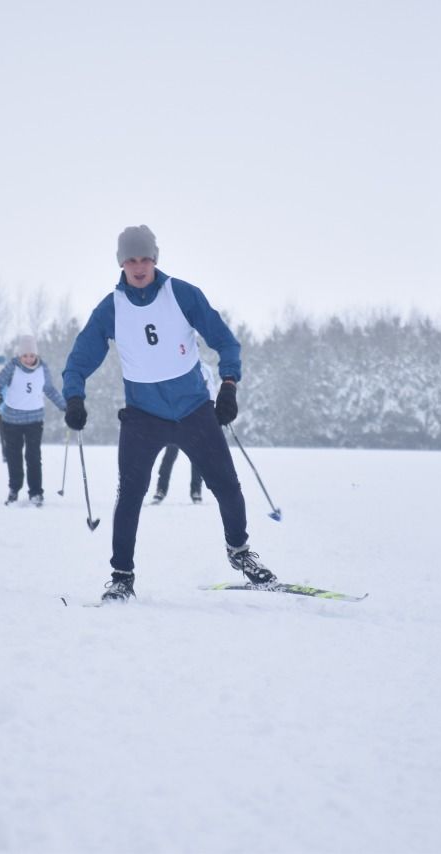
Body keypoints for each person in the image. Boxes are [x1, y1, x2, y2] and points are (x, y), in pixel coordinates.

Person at [61, 225, 277, 602]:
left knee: (227, 485)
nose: (139, 266)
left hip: (194, 410)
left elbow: (226, 341)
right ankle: (122, 577)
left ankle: (240, 552)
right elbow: (79, 360)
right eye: (131, 259)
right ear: (121, 262)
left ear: (155, 258)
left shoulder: (182, 294)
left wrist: (228, 384)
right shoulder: (111, 308)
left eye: (145, 258)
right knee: (129, 495)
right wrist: (74, 397)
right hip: (143, 417)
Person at [0, 334, 66, 506]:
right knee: (13, 456)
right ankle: (14, 489)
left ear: (36, 355)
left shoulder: (43, 369)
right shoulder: (12, 367)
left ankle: (36, 493)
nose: (28, 359)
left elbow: (50, 390)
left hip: (34, 420)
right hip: (11, 420)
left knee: (33, 457)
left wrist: (64, 406)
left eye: (31, 355)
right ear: (19, 355)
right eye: (25, 355)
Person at [151, 362, 217, 503]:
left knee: (197, 457)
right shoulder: (175, 365)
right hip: (176, 418)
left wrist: (214, 411)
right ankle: (160, 490)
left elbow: (211, 390)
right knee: (169, 456)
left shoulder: (205, 369)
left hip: (196, 418)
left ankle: (196, 492)